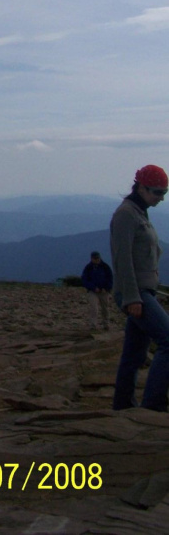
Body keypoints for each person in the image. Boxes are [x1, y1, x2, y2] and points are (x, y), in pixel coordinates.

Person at [111, 164, 169, 411]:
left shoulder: (139, 211)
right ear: (141, 187)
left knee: (134, 354)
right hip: (136, 293)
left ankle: (123, 406)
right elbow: (122, 259)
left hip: (143, 291)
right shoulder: (126, 214)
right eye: (156, 192)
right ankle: (153, 406)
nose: (160, 198)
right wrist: (132, 298)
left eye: (164, 193)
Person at [81, 251, 113, 331]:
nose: (96, 260)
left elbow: (110, 279)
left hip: (104, 291)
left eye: (97, 258)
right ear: (91, 259)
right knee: (94, 308)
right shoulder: (88, 268)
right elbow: (84, 280)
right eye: (95, 259)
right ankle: (93, 325)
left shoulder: (105, 267)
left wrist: (106, 288)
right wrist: (93, 287)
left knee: (105, 308)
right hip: (93, 291)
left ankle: (106, 324)